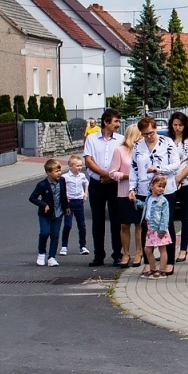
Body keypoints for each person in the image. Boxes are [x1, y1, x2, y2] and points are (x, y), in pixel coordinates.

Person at [132, 116, 184, 274]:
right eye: (145, 134)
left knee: (166, 224)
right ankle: (148, 262)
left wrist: (159, 169)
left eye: (151, 132)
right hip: (144, 190)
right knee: (145, 226)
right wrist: (131, 188)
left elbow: (176, 164)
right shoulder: (137, 146)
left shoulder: (167, 143)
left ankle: (169, 262)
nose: (149, 136)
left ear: (155, 128)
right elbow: (133, 168)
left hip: (164, 188)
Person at [82, 108, 124, 266]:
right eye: (115, 121)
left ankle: (117, 255)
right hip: (97, 183)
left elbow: (124, 161)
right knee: (98, 220)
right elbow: (89, 161)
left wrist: (111, 176)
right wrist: (104, 174)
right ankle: (98, 255)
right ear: (106, 122)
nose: (118, 124)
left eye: (118, 121)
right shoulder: (91, 139)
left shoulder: (120, 139)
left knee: (116, 220)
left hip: (115, 184)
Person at [168, 113, 188, 263]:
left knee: (185, 216)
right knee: (168, 217)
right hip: (169, 182)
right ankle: (169, 249)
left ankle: (184, 249)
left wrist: (179, 178)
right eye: (175, 125)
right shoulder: (168, 140)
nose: (177, 128)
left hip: (186, 181)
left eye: (180, 125)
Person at [28, 158, 65, 266]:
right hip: (45, 214)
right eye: (56, 171)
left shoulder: (62, 181)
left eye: (59, 170)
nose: (59, 173)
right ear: (48, 173)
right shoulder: (42, 185)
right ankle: (41, 253)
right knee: (45, 233)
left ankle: (52, 257)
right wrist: (44, 204)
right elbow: (32, 198)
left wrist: (66, 207)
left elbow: (64, 194)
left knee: (55, 235)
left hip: (58, 212)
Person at [116, 125, 142, 270]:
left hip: (140, 191)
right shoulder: (120, 150)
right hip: (124, 191)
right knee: (125, 224)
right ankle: (125, 253)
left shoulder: (143, 150)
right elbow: (113, 172)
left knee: (139, 224)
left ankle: (139, 252)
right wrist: (127, 176)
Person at [141, 176, 173, 279]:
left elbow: (165, 216)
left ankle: (162, 270)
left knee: (162, 249)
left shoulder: (163, 201)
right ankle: (153, 268)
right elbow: (146, 207)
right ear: (151, 186)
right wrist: (136, 203)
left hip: (159, 228)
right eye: (159, 186)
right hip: (150, 227)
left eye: (163, 187)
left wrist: (162, 229)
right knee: (147, 249)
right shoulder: (149, 198)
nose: (161, 189)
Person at [61, 155, 89, 255]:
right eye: (77, 166)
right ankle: (64, 246)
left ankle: (83, 246)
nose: (79, 168)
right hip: (69, 203)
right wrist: (64, 198)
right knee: (68, 225)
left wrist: (85, 194)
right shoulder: (65, 177)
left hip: (79, 202)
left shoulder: (82, 176)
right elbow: (61, 188)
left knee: (82, 225)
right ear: (70, 166)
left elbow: (86, 183)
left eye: (81, 166)